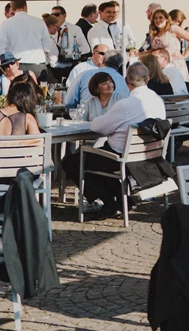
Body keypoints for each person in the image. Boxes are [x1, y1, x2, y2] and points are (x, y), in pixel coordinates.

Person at [60, 62, 166, 217]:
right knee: (98, 159)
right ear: (148, 79)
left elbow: (97, 127)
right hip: (151, 156)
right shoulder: (158, 100)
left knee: (72, 162)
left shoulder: (126, 104)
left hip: (123, 157)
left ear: (126, 80)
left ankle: (110, 203)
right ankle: (122, 201)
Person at [0, 0, 58, 73]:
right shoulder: (39, 22)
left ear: (13, 8)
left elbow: (1, 47)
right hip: (37, 65)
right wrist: (53, 62)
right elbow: (48, 45)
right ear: (26, 7)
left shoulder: (6, 24)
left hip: (16, 66)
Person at [63, 45, 128, 108]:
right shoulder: (124, 82)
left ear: (103, 61)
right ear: (119, 65)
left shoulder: (85, 75)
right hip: (115, 118)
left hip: (86, 117)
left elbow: (69, 102)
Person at [148, 8, 189, 82]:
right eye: (155, 18)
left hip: (175, 65)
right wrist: (139, 54)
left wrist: (184, 55)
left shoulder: (173, 29)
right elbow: (153, 51)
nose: (158, 20)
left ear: (166, 19)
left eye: (160, 17)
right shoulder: (154, 33)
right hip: (160, 67)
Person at [168, 9, 189, 84]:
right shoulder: (184, 29)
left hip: (188, 64)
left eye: (169, 21)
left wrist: (184, 56)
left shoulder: (187, 31)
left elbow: (187, 43)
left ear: (176, 21)